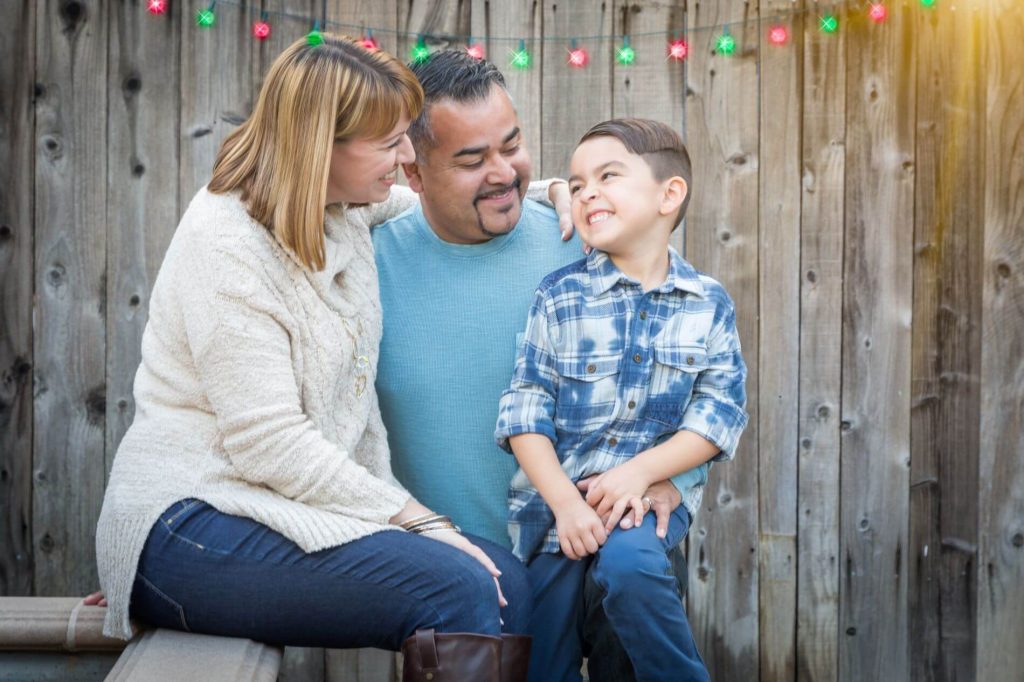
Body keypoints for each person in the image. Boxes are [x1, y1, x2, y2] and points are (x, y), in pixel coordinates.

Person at [93, 34, 532, 680]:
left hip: (273, 507)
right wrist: (421, 520)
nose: (406, 155)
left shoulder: (341, 202)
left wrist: (556, 191)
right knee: (459, 587)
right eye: (389, 144)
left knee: (509, 583)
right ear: (322, 147)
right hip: (189, 525)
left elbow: (433, 194)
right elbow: (270, 444)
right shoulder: (228, 246)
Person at [372, 51, 690, 681]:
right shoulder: (367, 268)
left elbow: (682, 374)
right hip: (467, 591)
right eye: (471, 159)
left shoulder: (585, 239)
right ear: (413, 170)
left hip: (604, 549)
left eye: (511, 146)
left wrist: (674, 479)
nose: (503, 174)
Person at [495, 118, 749, 681]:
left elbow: (718, 415)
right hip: (556, 514)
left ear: (669, 194)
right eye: (579, 183)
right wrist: (564, 504)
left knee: (633, 570)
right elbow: (524, 411)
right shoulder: (559, 298)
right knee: (542, 648)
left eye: (608, 176)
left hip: (647, 504)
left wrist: (640, 474)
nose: (588, 193)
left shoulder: (706, 303)